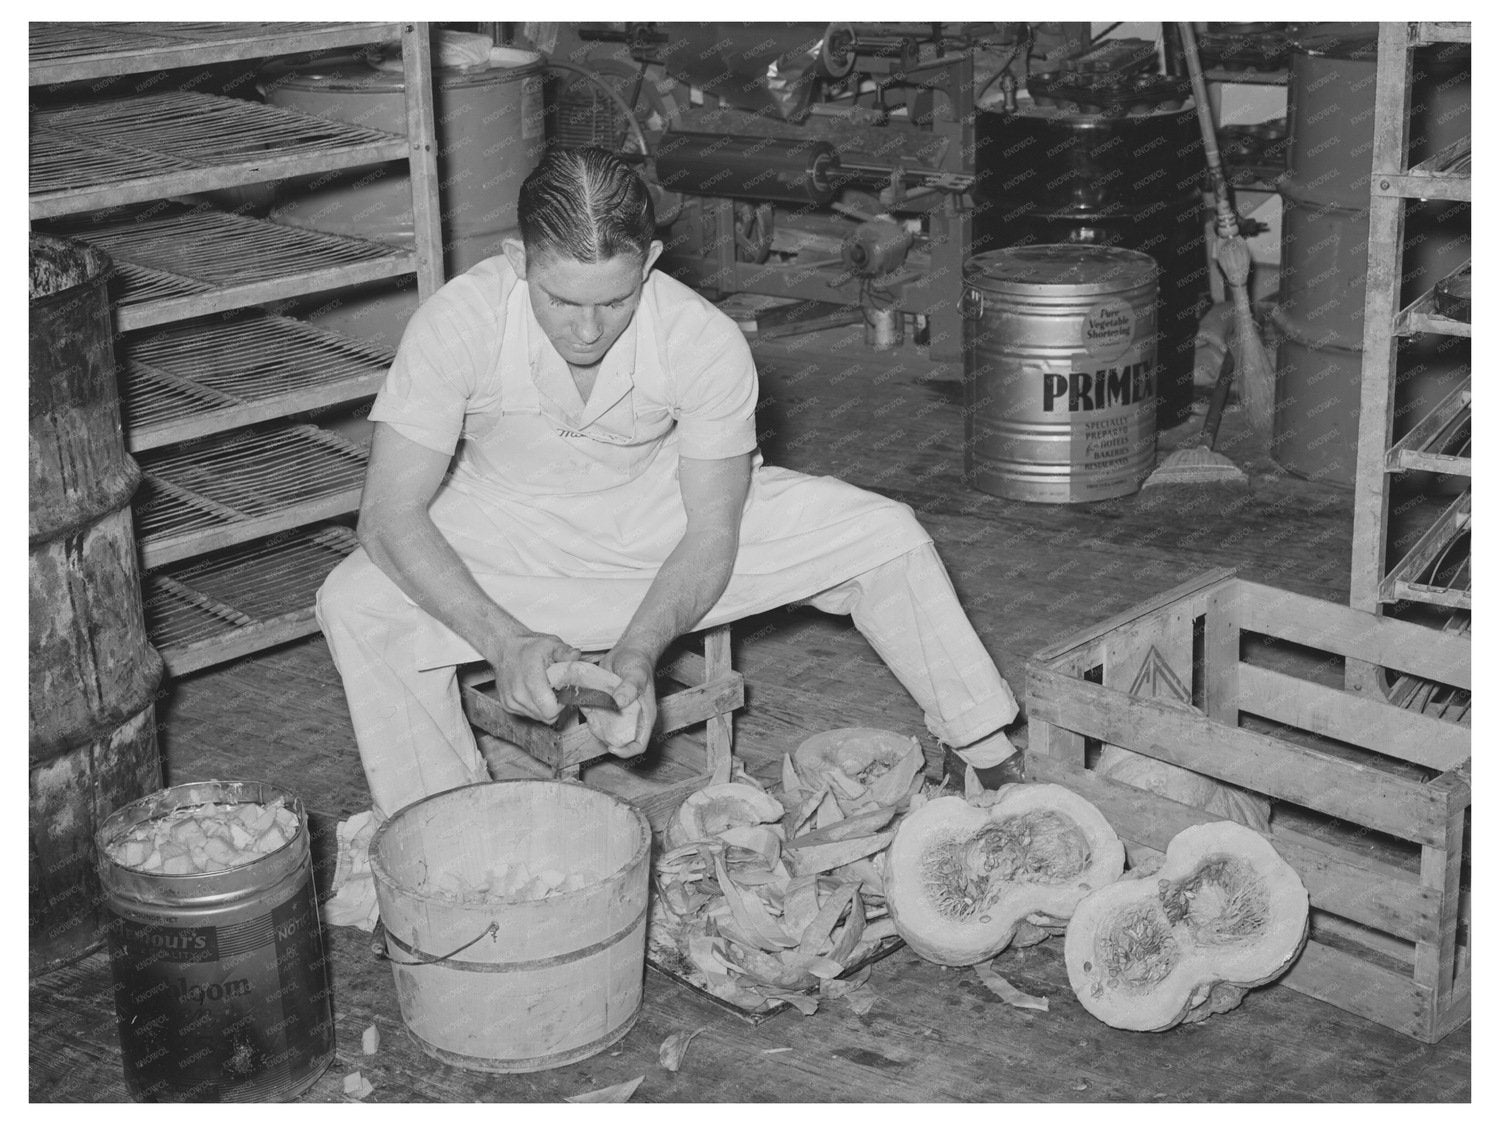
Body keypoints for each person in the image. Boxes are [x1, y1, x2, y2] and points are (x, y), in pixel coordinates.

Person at [316, 145, 1023, 824]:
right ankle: (440, 829)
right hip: (503, 525)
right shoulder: (458, 322)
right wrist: (504, 642)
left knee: (884, 536)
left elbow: (713, 530)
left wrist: (638, 652)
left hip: (663, 519)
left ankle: (988, 752)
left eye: (616, 301)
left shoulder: (701, 338)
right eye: (562, 300)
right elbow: (386, 516)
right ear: (516, 261)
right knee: (356, 602)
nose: (588, 329)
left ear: (650, 262)